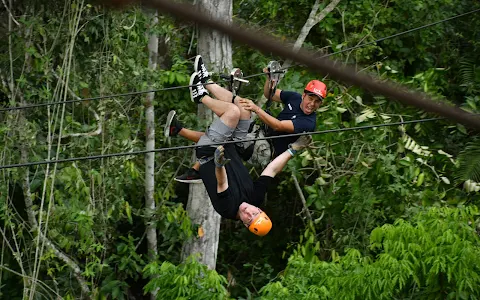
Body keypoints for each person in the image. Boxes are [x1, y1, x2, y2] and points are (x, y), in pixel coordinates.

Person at [186, 67, 312, 236]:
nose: (248, 212)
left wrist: (219, 165)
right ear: (259, 209)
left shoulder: (227, 209)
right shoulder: (256, 198)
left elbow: (222, 183)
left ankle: (201, 96)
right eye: (254, 213)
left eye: (248, 218)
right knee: (243, 108)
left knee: (232, 112)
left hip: (209, 151)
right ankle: (206, 83)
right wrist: (293, 150)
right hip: (231, 145)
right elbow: (271, 170)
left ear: (245, 224)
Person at [165, 55, 326, 183]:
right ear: (304, 95)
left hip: (263, 150)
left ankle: (201, 97)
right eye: (310, 98)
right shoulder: (296, 98)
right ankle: (206, 83)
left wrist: (256, 108)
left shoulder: (308, 123)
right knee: (239, 108)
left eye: (317, 101)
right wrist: (269, 80)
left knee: (230, 123)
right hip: (258, 134)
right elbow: (270, 94)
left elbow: (278, 126)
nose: (312, 104)